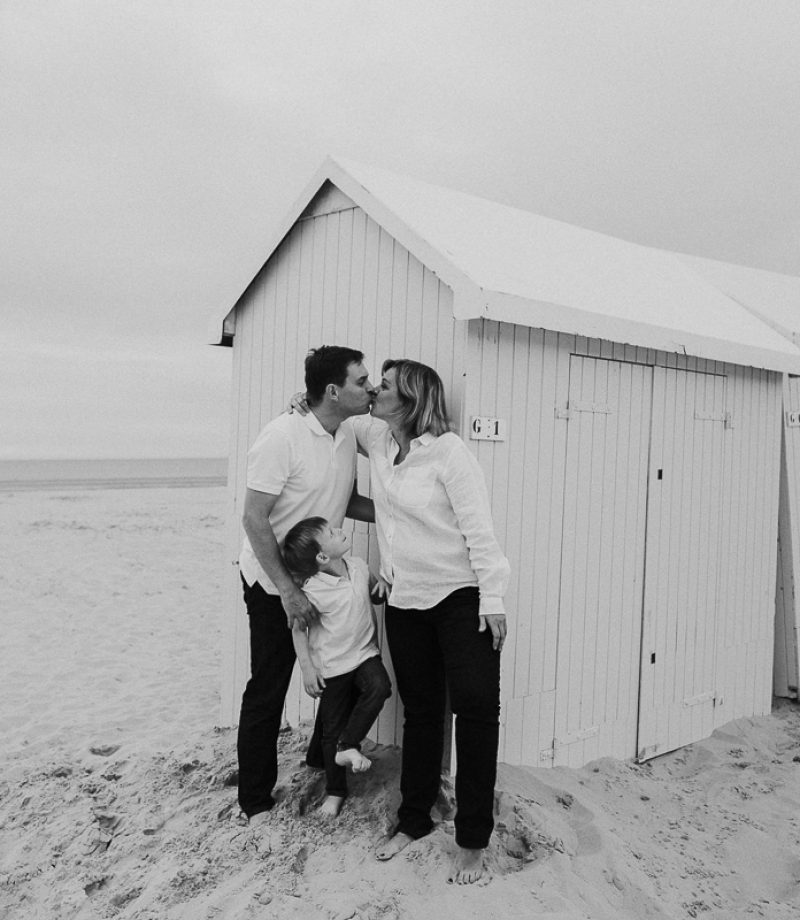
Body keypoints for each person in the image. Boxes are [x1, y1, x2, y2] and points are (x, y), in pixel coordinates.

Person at [290, 358, 509, 883]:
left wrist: (493, 597)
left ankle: (473, 841)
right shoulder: (380, 439)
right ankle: (414, 819)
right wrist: (300, 406)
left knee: (477, 712)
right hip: (406, 603)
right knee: (423, 714)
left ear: (408, 401)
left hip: (461, 597)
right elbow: (334, 412)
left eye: (382, 386)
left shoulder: (450, 454)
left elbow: (479, 529)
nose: (373, 392)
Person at [236, 346, 376, 826]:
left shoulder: (346, 434)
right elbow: (254, 520)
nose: (370, 387)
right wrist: (288, 591)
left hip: (321, 583)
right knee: (269, 686)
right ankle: (255, 800)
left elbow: (346, 498)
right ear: (334, 390)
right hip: (273, 579)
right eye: (361, 381)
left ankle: (321, 760)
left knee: (341, 670)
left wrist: (404, 513)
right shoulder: (282, 435)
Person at [283, 516, 392, 817]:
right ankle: (335, 792)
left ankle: (348, 745)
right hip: (333, 667)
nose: (340, 531)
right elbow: (297, 630)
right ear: (321, 556)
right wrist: (307, 668)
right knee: (331, 726)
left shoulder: (357, 566)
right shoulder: (313, 591)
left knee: (380, 688)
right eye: (332, 532)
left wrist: (380, 585)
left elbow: (370, 591)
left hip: (364, 654)